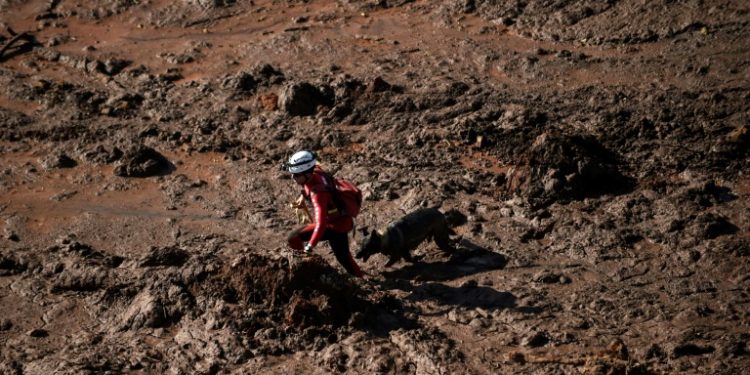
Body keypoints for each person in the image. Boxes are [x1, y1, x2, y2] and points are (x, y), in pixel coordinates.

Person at [285, 150, 363, 277]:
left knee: (344, 258)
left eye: (296, 175)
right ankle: (304, 266)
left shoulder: (318, 194)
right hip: (339, 220)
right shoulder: (315, 170)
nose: (293, 178)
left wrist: (309, 248)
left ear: (307, 174)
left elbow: (321, 224)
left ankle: (305, 269)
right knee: (344, 257)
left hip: (337, 226)